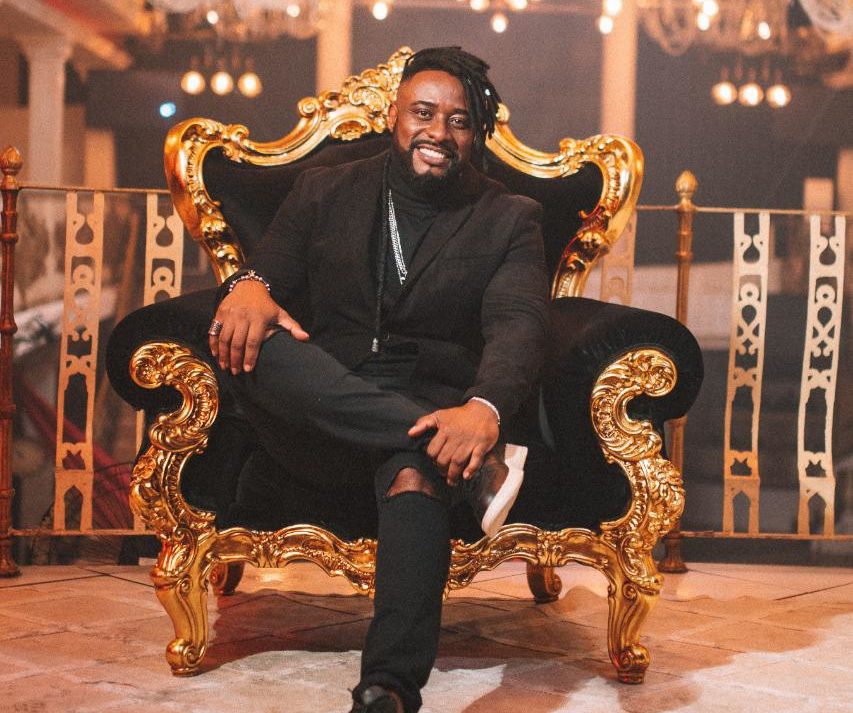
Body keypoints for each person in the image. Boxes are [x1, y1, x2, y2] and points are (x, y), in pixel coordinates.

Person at [207, 47, 549, 713]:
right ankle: (463, 459)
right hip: (317, 406)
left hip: (428, 399)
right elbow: (266, 270)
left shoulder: (508, 216)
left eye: (457, 120)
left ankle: (387, 687)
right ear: (394, 115)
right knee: (250, 342)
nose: (437, 132)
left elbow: (520, 325)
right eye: (423, 113)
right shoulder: (323, 190)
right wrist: (247, 286)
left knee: (416, 475)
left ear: (474, 132)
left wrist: (483, 409)